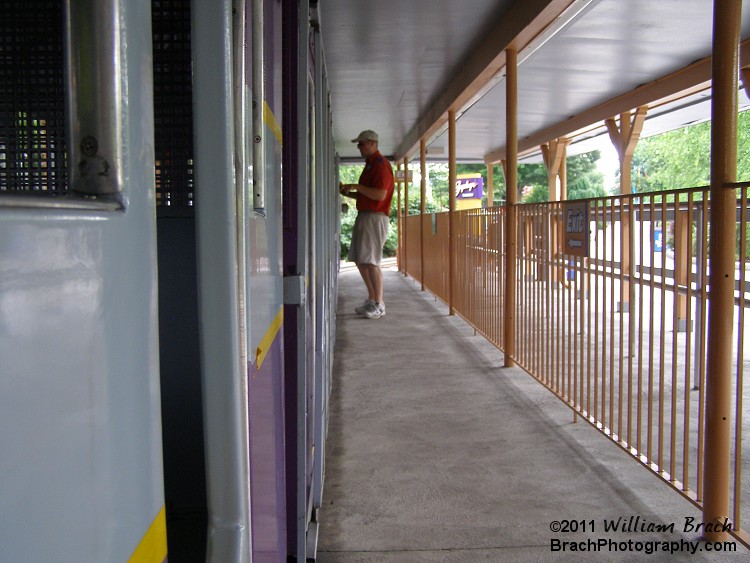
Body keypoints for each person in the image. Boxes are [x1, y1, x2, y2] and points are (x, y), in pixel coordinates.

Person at [339, 130, 395, 319]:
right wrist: (348, 191)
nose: (359, 147)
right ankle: (372, 299)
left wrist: (356, 186)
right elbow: (367, 194)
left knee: (371, 261)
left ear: (372, 143)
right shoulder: (371, 166)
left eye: (362, 144)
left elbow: (380, 194)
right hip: (365, 215)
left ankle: (379, 303)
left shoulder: (381, 166)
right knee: (361, 259)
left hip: (375, 217)